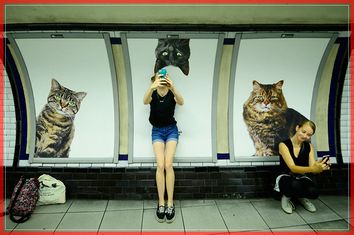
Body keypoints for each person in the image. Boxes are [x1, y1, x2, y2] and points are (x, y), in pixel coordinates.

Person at [143, 70, 184, 223]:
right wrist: (152, 87)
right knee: (160, 166)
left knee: (168, 164)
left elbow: (181, 101)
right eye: (159, 77)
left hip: (171, 130)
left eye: (164, 77)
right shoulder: (152, 93)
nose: (162, 79)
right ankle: (161, 203)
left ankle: (170, 204)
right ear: (154, 79)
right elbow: (144, 101)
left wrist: (173, 88)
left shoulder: (171, 92)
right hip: (157, 131)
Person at [273, 120, 331, 214]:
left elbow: (313, 168)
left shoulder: (309, 146)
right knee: (294, 184)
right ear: (297, 128)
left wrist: (320, 167)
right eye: (303, 132)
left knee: (314, 192)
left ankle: (301, 198)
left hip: (300, 176)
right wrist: (313, 168)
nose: (305, 136)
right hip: (285, 176)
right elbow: (292, 167)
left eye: (309, 135)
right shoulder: (283, 145)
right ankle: (286, 197)